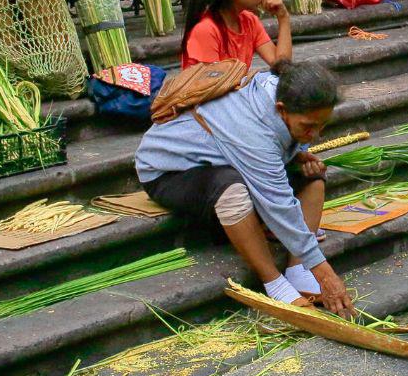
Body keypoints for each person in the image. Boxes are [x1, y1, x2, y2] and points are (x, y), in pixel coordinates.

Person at [135, 60, 354, 314]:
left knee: (312, 178)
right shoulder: (254, 129)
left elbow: (271, 157)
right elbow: (278, 205)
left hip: (223, 161)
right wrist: (326, 275)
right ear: (281, 109)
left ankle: (297, 271)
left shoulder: (280, 92)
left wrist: (294, 156)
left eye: (321, 126)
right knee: (231, 190)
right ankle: (274, 284)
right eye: (308, 127)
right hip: (168, 172)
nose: (315, 136)